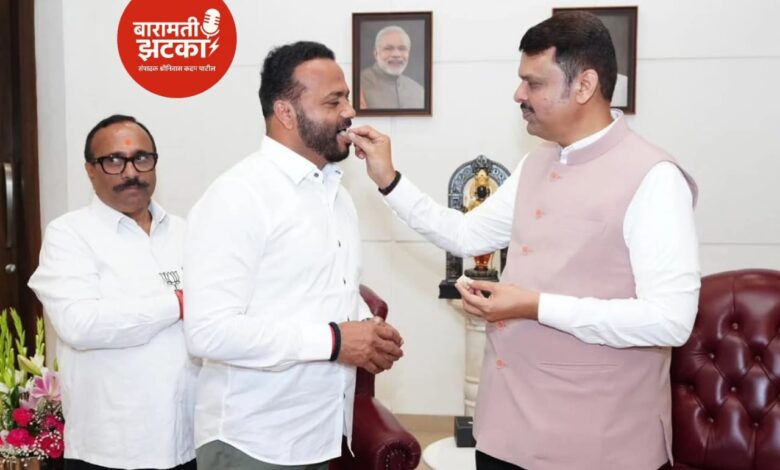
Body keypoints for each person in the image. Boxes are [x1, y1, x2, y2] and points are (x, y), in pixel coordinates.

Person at [349, 11, 699, 470]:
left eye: (533, 83)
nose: (518, 94)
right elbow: (466, 234)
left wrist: (534, 306)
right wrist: (389, 179)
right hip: (504, 428)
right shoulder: (537, 162)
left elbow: (670, 321)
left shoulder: (655, 178)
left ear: (584, 85)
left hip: (595, 443)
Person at [184, 41, 404, 470]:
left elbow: (321, 290)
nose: (349, 112)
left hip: (318, 433)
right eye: (333, 102)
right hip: (252, 442)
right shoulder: (238, 196)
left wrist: (369, 331)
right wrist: (336, 341)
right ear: (286, 113)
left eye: (346, 98)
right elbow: (208, 332)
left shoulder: (336, 194)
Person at [28, 115, 197, 470]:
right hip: (111, 448)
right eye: (114, 161)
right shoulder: (69, 235)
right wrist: (179, 303)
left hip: (189, 440)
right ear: (90, 170)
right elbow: (80, 324)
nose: (130, 172)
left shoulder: (185, 232)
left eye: (141, 158)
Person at [360, 25, 425, 109]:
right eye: (388, 48)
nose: (396, 54)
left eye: (402, 48)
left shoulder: (418, 90)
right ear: (376, 53)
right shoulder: (359, 85)